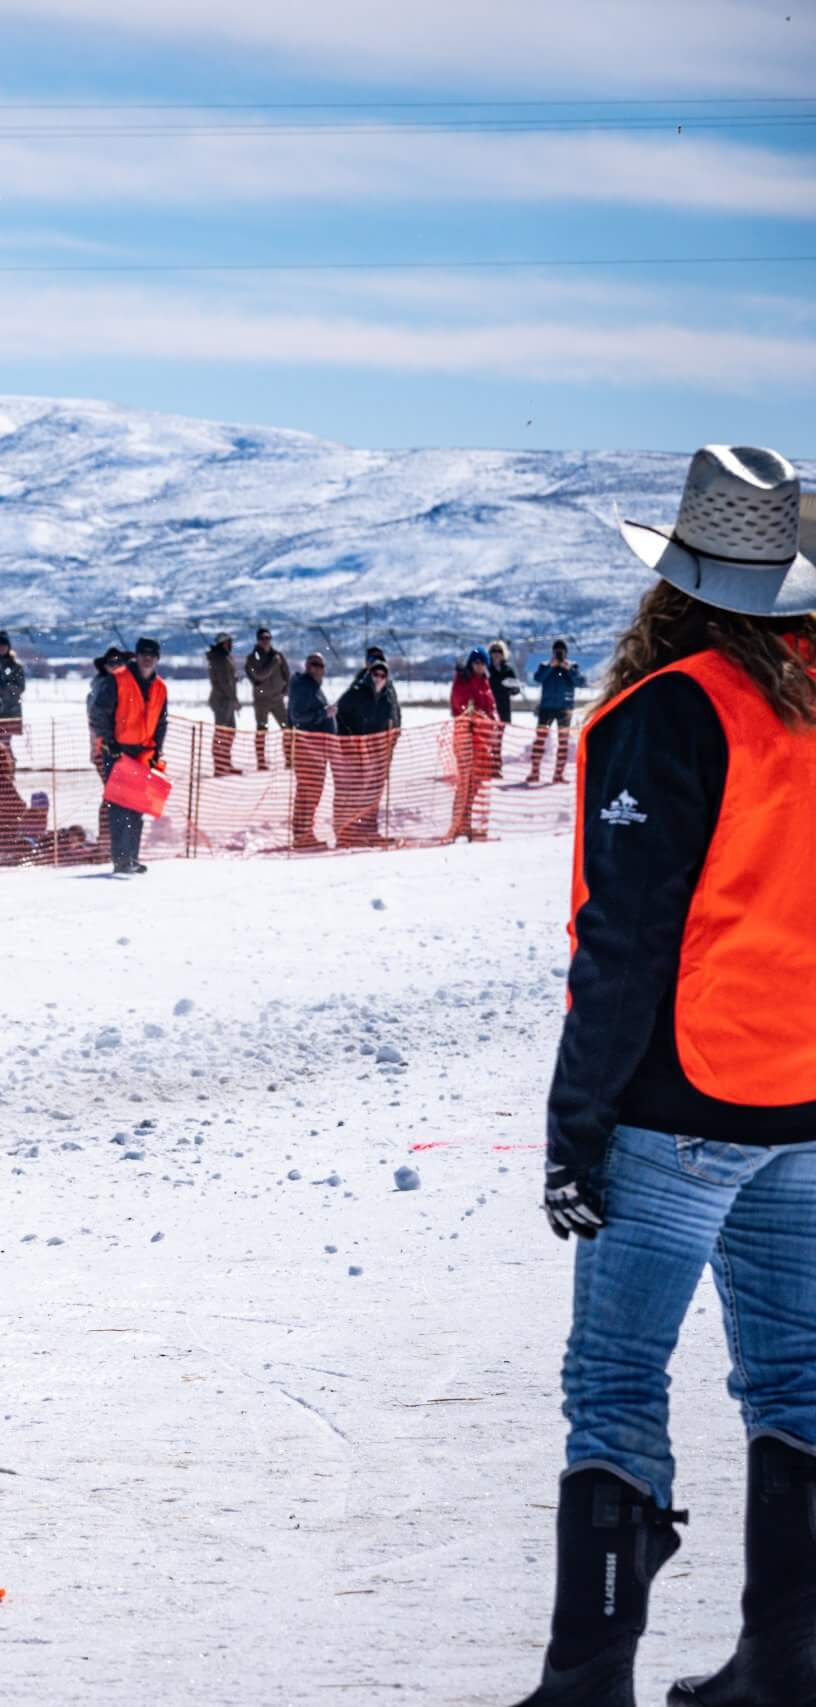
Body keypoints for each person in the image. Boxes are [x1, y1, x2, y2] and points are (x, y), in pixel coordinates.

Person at [511, 445, 816, 1707]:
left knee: (617, 1383)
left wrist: (576, 1121)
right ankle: (788, 1664)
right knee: (797, 1379)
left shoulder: (671, 711)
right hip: (805, 1099)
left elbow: (623, 940)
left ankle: (588, 1680)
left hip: (681, 1103)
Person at [92, 637, 168, 876]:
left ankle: (132, 857)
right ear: (137, 655)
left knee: (137, 806)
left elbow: (161, 722)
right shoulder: (118, 679)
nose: (148, 658)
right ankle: (121, 859)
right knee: (119, 806)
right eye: (144, 653)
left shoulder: (160, 688)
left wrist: (157, 750)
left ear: (157, 658)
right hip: (118, 751)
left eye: (152, 654)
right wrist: (110, 741)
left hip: (144, 753)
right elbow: (98, 713)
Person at [332, 656, 400, 845]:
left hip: (377, 754)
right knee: (352, 793)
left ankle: (369, 831)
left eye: (382, 675)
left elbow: (393, 720)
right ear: (369, 675)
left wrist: (391, 740)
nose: (378, 678)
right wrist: (349, 740)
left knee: (373, 794)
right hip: (354, 753)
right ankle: (345, 833)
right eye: (375, 674)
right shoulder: (356, 692)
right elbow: (340, 716)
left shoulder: (387, 697)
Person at [285, 652, 336, 850]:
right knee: (308, 792)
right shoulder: (302, 686)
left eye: (321, 665)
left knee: (311, 792)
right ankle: (302, 835)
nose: (317, 668)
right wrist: (324, 713)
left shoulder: (312, 687)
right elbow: (298, 716)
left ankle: (304, 834)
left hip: (318, 748)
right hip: (308, 748)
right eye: (313, 664)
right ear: (307, 666)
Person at [448, 649, 499, 841]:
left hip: (482, 739)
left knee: (475, 784)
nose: (479, 665)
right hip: (466, 738)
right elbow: (459, 705)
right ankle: (457, 824)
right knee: (465, 783)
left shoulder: (484, 681)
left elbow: (490, 707)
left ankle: (466, 823)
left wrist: (492, 723)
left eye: (482, 662)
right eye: (476, 662)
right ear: (471, 663)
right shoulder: (463, 680)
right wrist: (474, 713)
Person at [526, 640, 584, 785]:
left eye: (562, 651)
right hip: (546, 708)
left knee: (563, 743)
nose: (559, 653)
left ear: (566, 652)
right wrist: (550, 667)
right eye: (557, 650)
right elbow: (537, 678)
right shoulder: (545, 665)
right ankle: (534, 772)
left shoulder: (572, 666)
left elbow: (580, 682)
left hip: (564, 709)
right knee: (539, 741)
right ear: (552, 652)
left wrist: (569, 669)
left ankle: (558, 775)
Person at [245, 627, 289, 770]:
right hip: (261, 700)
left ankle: (290, 758)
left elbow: (286, 674)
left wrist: (286, 689)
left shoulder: (278, 656)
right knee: (262, 729)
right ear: (258, 640)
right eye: (263, 638)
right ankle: (261, 762)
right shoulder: (252, 658)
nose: (266, 641)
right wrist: (273, 663)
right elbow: (259, 675)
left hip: (277, 699)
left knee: (287, 728)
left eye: (268, 638)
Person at [206, 632, 242, 777]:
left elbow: (227, 679)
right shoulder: (220, 659)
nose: (230, 645)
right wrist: (234, 699)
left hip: (227, 700)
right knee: (222, 734)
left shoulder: (223, 657)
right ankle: (219, 766)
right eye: (228, 642)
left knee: (230, 732)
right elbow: (225, 683)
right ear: (224, 643)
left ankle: (225, 763)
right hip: (222, 701)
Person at [0, 632, 27, 735]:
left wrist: (6, 686)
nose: (2, 648)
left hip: (11, 709)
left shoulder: (16, 666)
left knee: (5, 740)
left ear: (8, 647)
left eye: (4, 646)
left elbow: (21, 687)